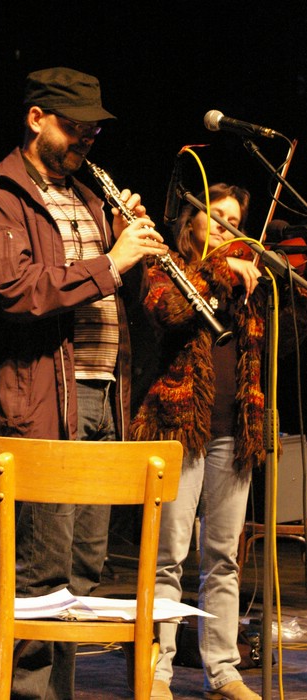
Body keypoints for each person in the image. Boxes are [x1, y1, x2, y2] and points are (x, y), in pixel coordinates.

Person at [0, 66, 168, 700]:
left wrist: (130, 244)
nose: (86, 139)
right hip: (47, 398)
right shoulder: (0, 198)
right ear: (36, 119)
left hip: (105, 393)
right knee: (42, 573)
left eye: (93, 131)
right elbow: (17, 291)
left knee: (83, 570)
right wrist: (112, 260)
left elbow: (111, 285)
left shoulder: (87, 196)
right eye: (75, 126)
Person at [130, 183, 307, 700]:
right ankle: (157, 669)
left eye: (235, 221)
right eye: (218, 217)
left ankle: (223, 670)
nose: (228, 228)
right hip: (178, 427)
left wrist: (286, 288)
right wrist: (215, 272)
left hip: (235, 429)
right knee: (168, 555)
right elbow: (167, 312)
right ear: (192, 222)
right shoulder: (165, 265)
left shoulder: (248, 280)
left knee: (224, 558)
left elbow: (284, 339)